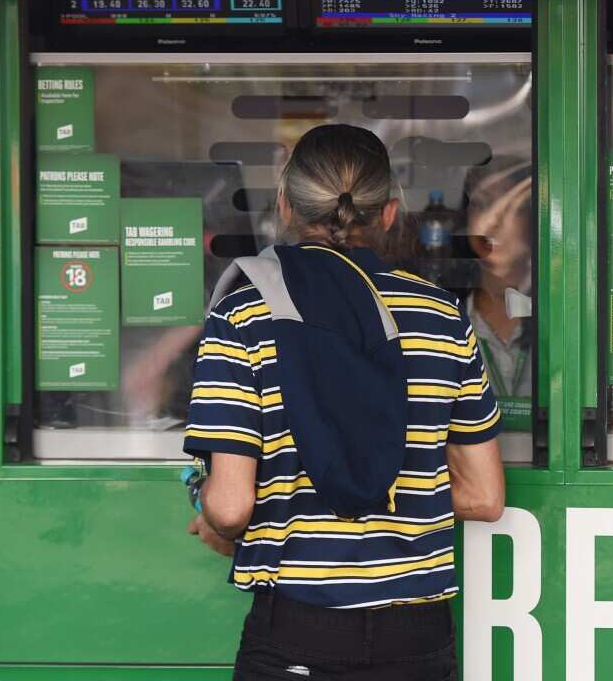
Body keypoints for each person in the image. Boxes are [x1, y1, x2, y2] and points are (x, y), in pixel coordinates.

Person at [183, 124, 505, 680]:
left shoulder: (243, 317)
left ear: (284, 206)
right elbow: (483, 495)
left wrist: (212, 511)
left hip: (298, 636)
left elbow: (230, 508)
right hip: (419, 638)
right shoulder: (441, 317)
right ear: (388, 213)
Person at [461, 159, 533, 427]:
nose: (491, 222)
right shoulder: (445, 314)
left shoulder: (560, 310)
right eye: (481, 205)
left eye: (511, 206)